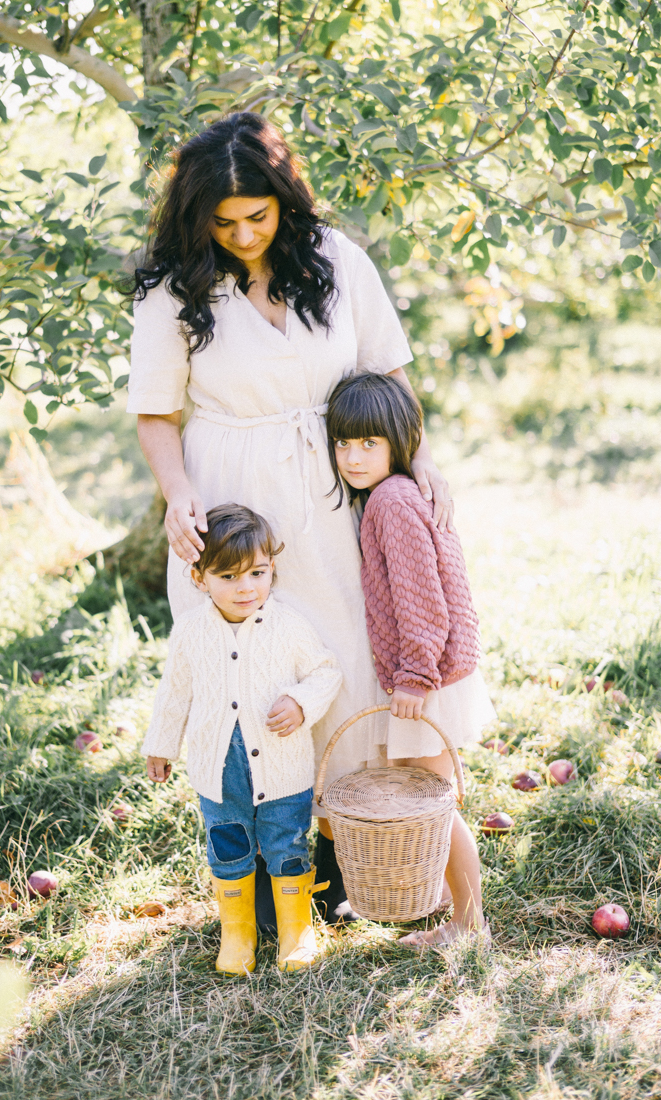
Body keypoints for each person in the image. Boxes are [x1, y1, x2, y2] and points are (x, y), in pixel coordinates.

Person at [127, 111, 454, 926]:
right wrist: (177, 495)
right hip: (234, 495)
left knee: (345, 654)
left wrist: (417, 466)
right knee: (255, 673)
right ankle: (275, 866)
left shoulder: (338, 262)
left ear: (284, 198)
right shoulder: (173, 289)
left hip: (342, 482)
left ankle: (355, 845)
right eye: (223, 221)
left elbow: (389, 372)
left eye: (257, 215)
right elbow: (156, 413)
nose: (242, 234)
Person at [326, 372, 496, 947]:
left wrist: (415, 676)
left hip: (434, 675)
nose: (352, 456)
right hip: (440, 671)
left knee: (436, 808)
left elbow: (425, 602)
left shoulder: (393, 503)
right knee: (434, 800)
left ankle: (470, 926)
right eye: (343, 443)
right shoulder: (391, 495)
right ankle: (447, 899)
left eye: (368, 443)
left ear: (400, 442)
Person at [143, 503, 342, 973]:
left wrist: (300, 702)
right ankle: (238, 932)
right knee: (228, 844)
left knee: (286, 844)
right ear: (199, 578)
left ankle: (296, 931)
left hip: (283, 769)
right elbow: (175, 693)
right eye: (228, 577)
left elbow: (325, 671)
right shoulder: (191, 632)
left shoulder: (288, 626)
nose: (246, 587)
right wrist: (161, 743)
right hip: (218, 771)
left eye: (257, 572)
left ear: (272, 569)